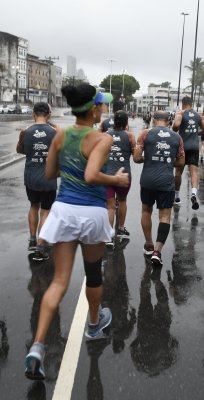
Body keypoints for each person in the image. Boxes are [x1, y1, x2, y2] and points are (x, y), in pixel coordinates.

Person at [24, 84, 129, 381]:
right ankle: (94, 325)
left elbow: (49, 173)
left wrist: (67, 167)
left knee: (59, 281)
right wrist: (116, 178)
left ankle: (38, 346)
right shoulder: (102, 138)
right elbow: (92, 175)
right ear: (93, 109)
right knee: (93, 273)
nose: (104, 109)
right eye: (102, 106)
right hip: (92, 213)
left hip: (65, 211)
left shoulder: (61, 134)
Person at [134, 110, 185, 266]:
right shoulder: (177, 137)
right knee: (165, 216)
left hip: (147, 180)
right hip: (166, 182)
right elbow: (181, 162)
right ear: (168, 121)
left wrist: (148, 158)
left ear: (154, 120)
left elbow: (136, 158)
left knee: (146, 211)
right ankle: (157, 251)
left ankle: (149, 244)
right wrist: (168, 161)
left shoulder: (145, 134)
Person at [16, 102, 57, 261]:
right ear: (49, 115)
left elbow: (20, 150)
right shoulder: (54, 132)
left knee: (34, 206)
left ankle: (32, 240)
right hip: (48, 178)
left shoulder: (25, 132)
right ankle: (41, 246)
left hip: (31, 177)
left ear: (33, 114)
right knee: (45, 211)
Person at [173, 96, 204, 209]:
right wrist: (195, 132)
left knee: (178, 172)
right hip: (194, 146)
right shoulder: (198, 115)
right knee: (194, 171)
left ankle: (177, 197)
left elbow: (176, 126)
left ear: (183, 103)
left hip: (182, 147)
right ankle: (193, 193)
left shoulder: (181, 113)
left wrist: (177, 127)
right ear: (191, 104)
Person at [105, 110, 136, 242]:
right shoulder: (129, 136)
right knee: (122, 201)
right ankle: (121, 228)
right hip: (124, 174)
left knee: (110, 206)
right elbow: (136, 156)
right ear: (126, 122)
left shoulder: (105, 135)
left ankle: (108, 234)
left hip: (108, 175)